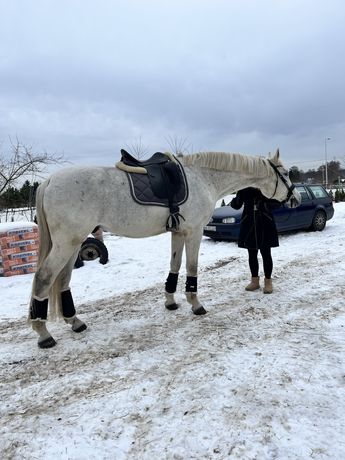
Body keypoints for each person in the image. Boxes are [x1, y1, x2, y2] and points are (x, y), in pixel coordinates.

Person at [230, 187, 281, 294]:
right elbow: (235, 206)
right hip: (249, 224)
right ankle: (255, 281)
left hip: (265, 223)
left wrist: (265, 205)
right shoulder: (244, 188)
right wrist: (238, 197)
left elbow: (278, 202)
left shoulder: (266, 185)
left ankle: (268, 282)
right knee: (252, 254)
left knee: (266, 254)